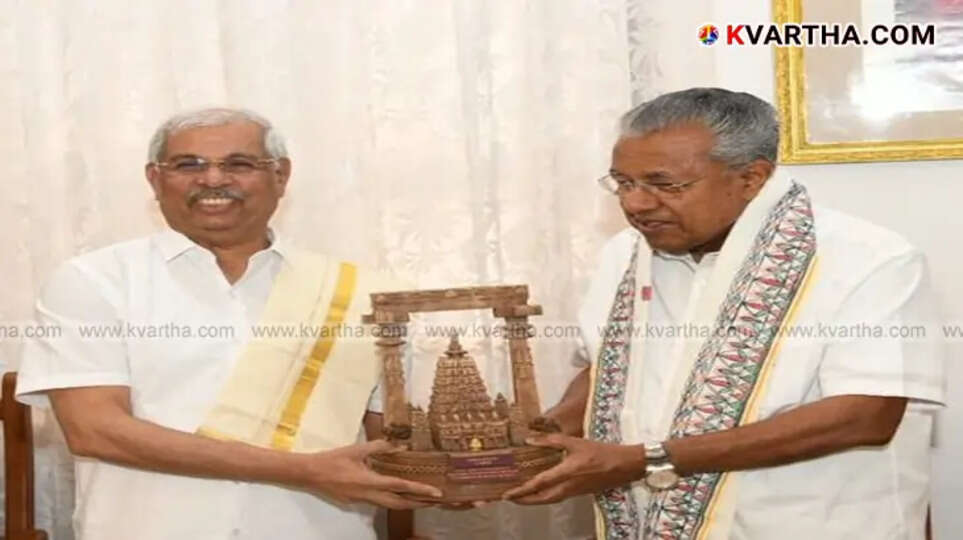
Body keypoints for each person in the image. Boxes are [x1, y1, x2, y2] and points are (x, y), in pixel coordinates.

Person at [505, 88, 944, 540]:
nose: (635, 204)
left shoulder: (869, 259)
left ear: (752, 178)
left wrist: (647, 459)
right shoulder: (625, 255)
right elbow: (611, 369)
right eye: (624, 182)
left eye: (665, 185)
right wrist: (549, 433)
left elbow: (866, 414)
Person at [16, 108, 440, 540]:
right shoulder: (94, 281)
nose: (213, 179)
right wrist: (303, 470)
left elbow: (396, 445)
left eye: (239, 164)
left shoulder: (365, 295)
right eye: (188, 165)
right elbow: (96, 431)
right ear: (154, 179)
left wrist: (488, 472)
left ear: (281, 176)